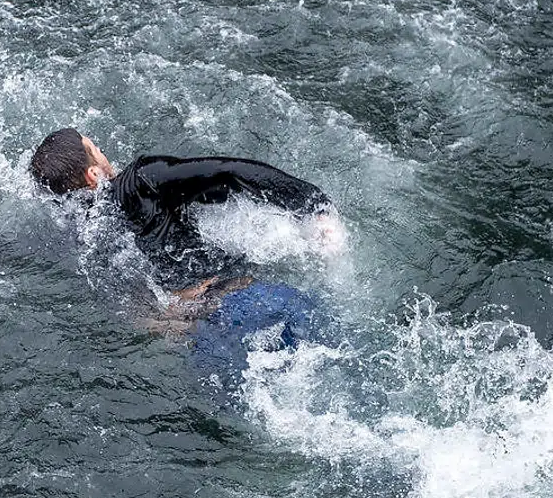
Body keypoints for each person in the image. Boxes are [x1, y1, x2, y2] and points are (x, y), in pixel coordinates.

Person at [28, 127, 343, 375]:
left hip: (203, 343)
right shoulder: (139, 181)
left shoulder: (82, 235)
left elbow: (137, 312)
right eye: (94, 148)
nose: (102, 152)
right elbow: (226, 173)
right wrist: (313, 205)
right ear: (93, 175)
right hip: (250, 305)